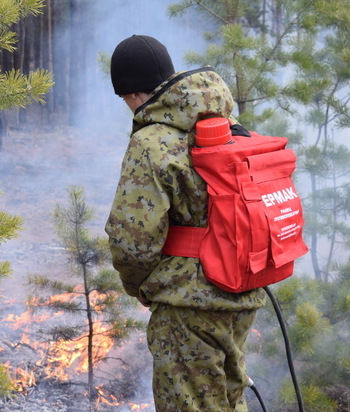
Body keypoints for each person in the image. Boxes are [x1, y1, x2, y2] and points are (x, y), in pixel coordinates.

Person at [105, 35, 266, 411]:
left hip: (187, 305)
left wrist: (141, 287)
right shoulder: (226, 124)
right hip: (242, 288)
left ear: (130, 94)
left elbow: (132, 241)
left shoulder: (152, 142)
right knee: (228, 398)